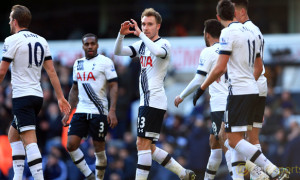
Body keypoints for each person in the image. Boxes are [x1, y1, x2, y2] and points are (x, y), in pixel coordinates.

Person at [193, 0, 289, 179]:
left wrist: (202, 88)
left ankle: (271, 170)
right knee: (245, 140)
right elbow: (259, 67)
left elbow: (221, 67)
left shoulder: (227, 33)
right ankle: (257, 176)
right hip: (255, 89)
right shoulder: (253, 32)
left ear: (219, 17)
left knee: (231, 139)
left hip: (239, 91)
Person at [114, 8, 196, 180]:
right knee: (147, 147)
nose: (145, 28)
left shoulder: (164, 43)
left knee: (142, 145)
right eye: (143, 24)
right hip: (147, 101)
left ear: (158, 26)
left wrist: (140, 35)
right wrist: (121, 35)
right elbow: (118, 51)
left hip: (154, 100)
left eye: (149, 24)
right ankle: (183, 173)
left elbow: (158, 52)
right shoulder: (142, 45)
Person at [1, 5, 70, 180]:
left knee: (29, 139)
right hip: (37, 96)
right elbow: (52, 72)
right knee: (13, 134)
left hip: (22, 97)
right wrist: (60, 98)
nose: (9, 22)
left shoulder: (11, 40)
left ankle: (39, 178)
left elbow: (2, 71)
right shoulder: (42, 40)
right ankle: (17, 177)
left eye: (10, 19)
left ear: (15, 21)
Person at [174, 19, 233, 180]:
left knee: (227, 144)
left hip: (221, 104)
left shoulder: (208, 52)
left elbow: (199, 79)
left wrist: (182, 95)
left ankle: (258, 171)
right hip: (235, 101)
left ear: (207, 35)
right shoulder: (230, 49)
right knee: (215, 142)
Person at [61, 33, 118, 180]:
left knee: (99, 150)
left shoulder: (105, 62)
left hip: (99, 112)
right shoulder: (77, 63)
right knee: (71, 145)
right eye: (87, 44)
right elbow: (74, 89)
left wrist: (112, 110)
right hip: (81, 111)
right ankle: (89, 176)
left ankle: (99, 178)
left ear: (97, 45)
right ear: (83, 46)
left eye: (93, 43)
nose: (90, 46)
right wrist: (68, 111)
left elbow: (114, 85)